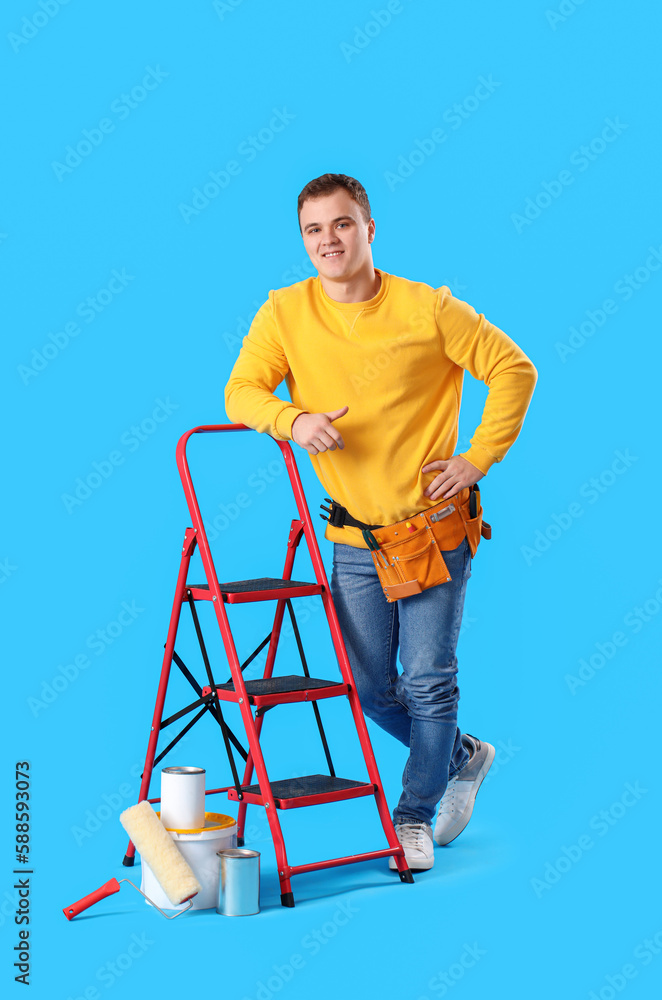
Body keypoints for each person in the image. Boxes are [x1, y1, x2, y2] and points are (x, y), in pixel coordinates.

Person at [224, 173, 537, 870]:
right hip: (355, 538)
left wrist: (478, 458)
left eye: (341, 225)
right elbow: (241, 390)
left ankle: (413, 814)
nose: (328, 240)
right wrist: (292, 417)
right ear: (303, 241)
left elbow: (514, 370)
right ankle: (462, 755)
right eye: (313, 230)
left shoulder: (429, 309)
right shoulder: (284, 313)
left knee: (428, 678)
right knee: (369, 688)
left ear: (369, 229)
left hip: (431, 529)